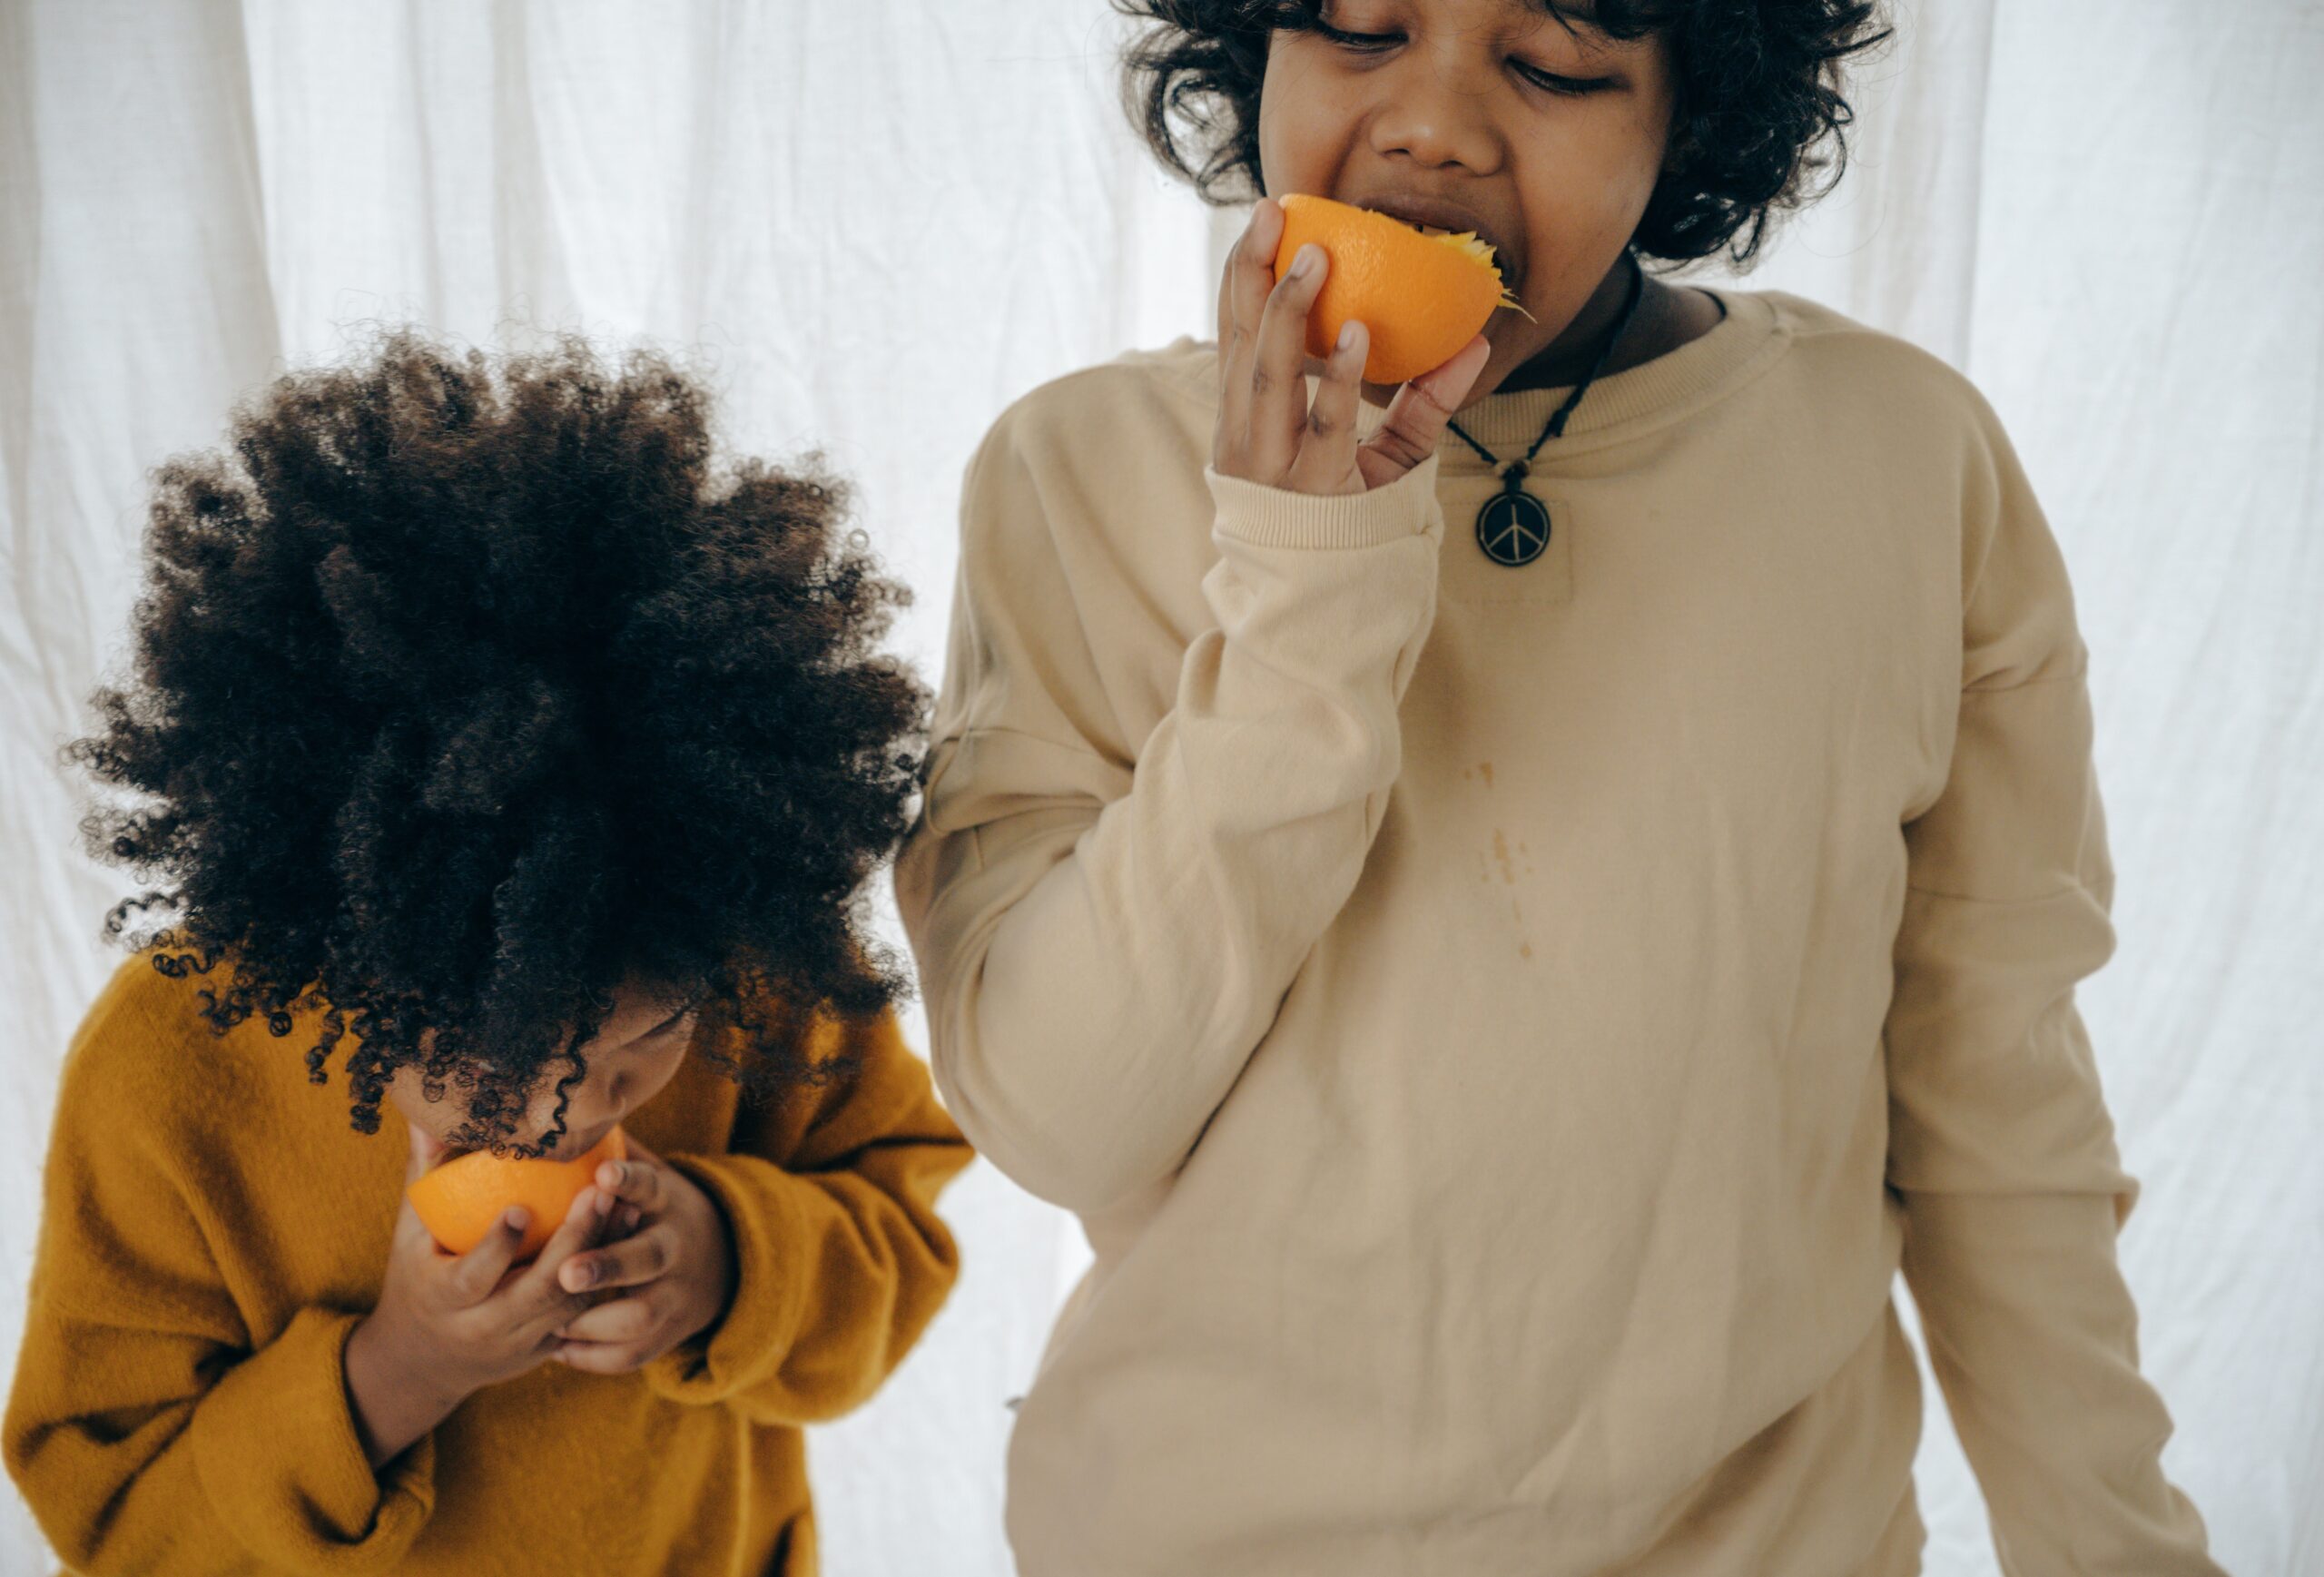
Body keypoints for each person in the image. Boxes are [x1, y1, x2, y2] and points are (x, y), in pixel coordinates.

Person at [894, 1, 2222, 1571]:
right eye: (1359, 28)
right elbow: (1062, 1118)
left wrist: (2121, 1547)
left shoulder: (1904, 458)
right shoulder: (1073, 470)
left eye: (1552, 65)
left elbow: (2002, 1117)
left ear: (1694, 110)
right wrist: (1305, 587)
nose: (1432, 125)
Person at [6, 332, 973, 1575]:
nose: (564, 1123)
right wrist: (397, 1372)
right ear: (333, 965)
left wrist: (732, 1265)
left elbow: (899, 1221)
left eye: (637, 1052)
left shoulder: (742, 959)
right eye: (483, 1062)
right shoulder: (169, 1076)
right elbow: (115, 1517)